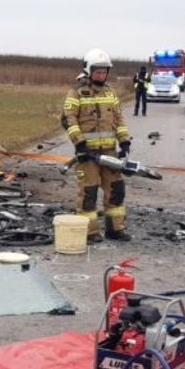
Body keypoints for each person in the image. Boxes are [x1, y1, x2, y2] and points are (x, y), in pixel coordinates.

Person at [63, 48, 132, 243]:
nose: (101, 75)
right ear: (88, 70)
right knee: (88, 194)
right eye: (98, 72)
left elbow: (118, 118)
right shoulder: (76, 93)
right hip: (88, 155)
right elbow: (68, 120)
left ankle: (115, 229)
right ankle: (89, 232)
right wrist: (79, 144)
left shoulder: (110, 93)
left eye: (104, 72)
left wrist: (124, 142)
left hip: (109, 153)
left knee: (116, 190)